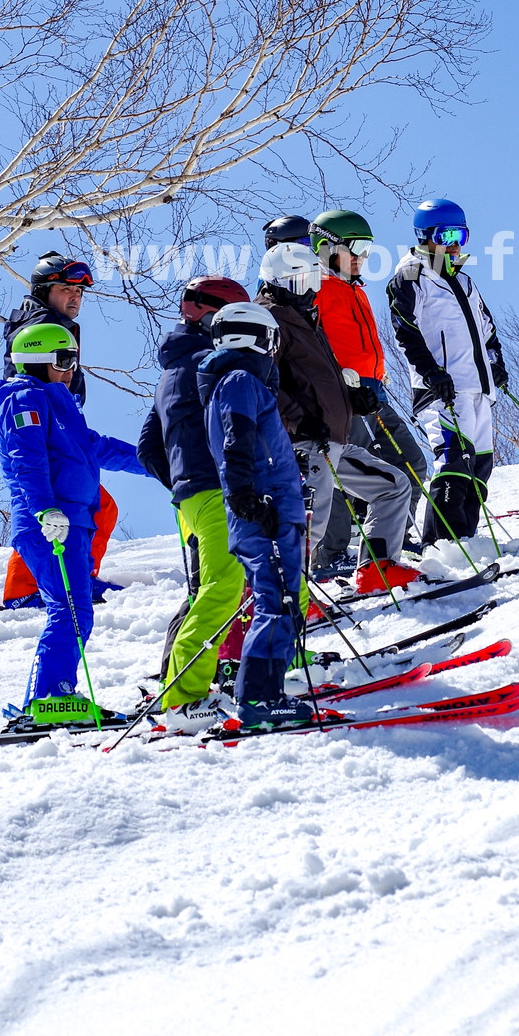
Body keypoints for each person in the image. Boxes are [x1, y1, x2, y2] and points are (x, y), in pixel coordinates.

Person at [0, 322, 151, 729]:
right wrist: (44, 510)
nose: (71, 369)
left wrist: (160, 465)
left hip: (72, 522)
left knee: (74, 610)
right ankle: (51, 697)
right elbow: (26, 458)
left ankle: (44, 700)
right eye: (63, 360)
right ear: (38, 360)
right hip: (49, 523)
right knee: (71, 610)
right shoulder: (24, 398)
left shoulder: (61, 407)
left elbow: (100, 448)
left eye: (74, 361)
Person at [257, 241, 422, 594]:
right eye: (300, 282)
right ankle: (289, 598)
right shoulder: (268, 319)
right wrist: (297, 420)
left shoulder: (306, 318)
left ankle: (377, 569)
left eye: (313, 280)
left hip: (332, 437)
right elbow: (264, 384)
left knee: (392, 486)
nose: (310, 290)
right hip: (302, 442)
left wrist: (351, 399)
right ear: (277, 281)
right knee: (308, 524)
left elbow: (319, 381)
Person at [136, 275, 252, 732]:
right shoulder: (212, 362)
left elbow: (148, 447)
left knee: (209, 588)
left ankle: (177, 681)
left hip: (191, 498)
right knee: (225, 588)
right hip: (217, 488)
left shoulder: (171, 371)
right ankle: (184, 697)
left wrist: (183, 484)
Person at [196, 300, 311, 729]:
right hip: (263, 512)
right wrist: (248, 496)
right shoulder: (240, 379)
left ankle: (267, 694)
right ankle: (259, 700)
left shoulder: (242, 384)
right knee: (276, 601)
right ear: (255, 337)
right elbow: (237, 440)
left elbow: (257, 446)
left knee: (281, 602)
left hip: (271, 508)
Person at [308, 207, 427, 568]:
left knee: (411, 464)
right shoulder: (312, 289)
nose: (362, 256)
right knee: (347, 479)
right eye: (355, 247)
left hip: (374, 393)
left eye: (368, 249)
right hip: (341, 398)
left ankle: (390, 541)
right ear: (326, 247)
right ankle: (330, 557)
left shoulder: (352, 289)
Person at [388, 198, 508, 546]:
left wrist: (496, 365)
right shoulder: (411, 276)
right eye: (447, 235)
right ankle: (441, 545)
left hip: (478, 388)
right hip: (443, 389)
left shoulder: (465, 282)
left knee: (480, 468)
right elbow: (404, 330)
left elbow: (487, 330)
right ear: (426, 237)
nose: (454, 245)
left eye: (462, 235)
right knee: (453, 463)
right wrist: (431, 373)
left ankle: (465, 541)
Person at [0, 254, 118, 607]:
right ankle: (26, 589)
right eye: (66, 289)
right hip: (45, 434)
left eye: (79, 292)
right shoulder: (39, 326)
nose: (75, 297)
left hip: (60, 429)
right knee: (51, 504)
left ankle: (76, 576)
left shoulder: (51, 322)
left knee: (97, 505)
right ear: (43, 290)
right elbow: (25, 380)